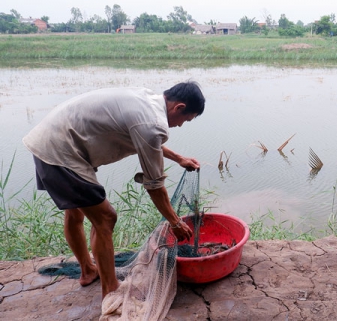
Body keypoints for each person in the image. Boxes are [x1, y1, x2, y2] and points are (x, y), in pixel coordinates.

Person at [22, 81, 205, 299]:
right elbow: (155, 186)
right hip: (61, 152)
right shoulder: (152, 123)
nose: (181, 125)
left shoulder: (147, 99)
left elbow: (147, 140)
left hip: (49, 140)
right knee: (106, 218)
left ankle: (88, 271)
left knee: (75, 211)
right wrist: (175, 222)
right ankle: (110, 289)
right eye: (186, 120)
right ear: (179, 107)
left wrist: (179, 158)